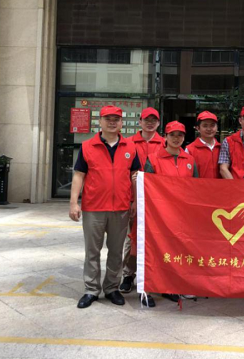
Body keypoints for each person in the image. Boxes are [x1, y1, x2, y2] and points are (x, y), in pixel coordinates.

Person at [69, 105, 140, 309]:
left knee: (116, 251)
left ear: (121, 123)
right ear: (100, 122)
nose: (112, 122)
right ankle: (91, 289)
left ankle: (111, 288)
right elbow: (79, 175)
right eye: (107, 119)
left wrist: (135, 201)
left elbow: (135, 176)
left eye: (116, 119)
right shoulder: (87, 146)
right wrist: (73, 203)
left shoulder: (130, 147)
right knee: (92, 251)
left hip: (121, 208)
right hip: (94, 207)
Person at [145, 120, 198, 303]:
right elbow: (147, 186)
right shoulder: (153, 159)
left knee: (179, 250)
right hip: (160, 214)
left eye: (180, 135)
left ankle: (176, 285)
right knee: (159, 249)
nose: (176, 139)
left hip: (183, 215)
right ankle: (154, 287)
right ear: (165, 137)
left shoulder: (190, 160)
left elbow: (196, 188)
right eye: (172, 135)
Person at [119, 107, 164, 296]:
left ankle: (157, 275)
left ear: (158, 123)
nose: (150, 123)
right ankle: (128, 274)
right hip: (134, 199)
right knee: (133, 238)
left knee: (159, 239)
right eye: (147, 120)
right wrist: (131, 200)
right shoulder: (128, 143)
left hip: (158, 202)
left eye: (154, 120)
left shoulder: (165, 143)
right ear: (140, 122)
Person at [185, 111, 221, 178]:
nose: (209, 129)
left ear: (217, 127)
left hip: (220, 185)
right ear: (198, 128)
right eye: (205, 126)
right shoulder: (190, 149)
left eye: (212, 125)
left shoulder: (221, 148)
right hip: (198, 184)